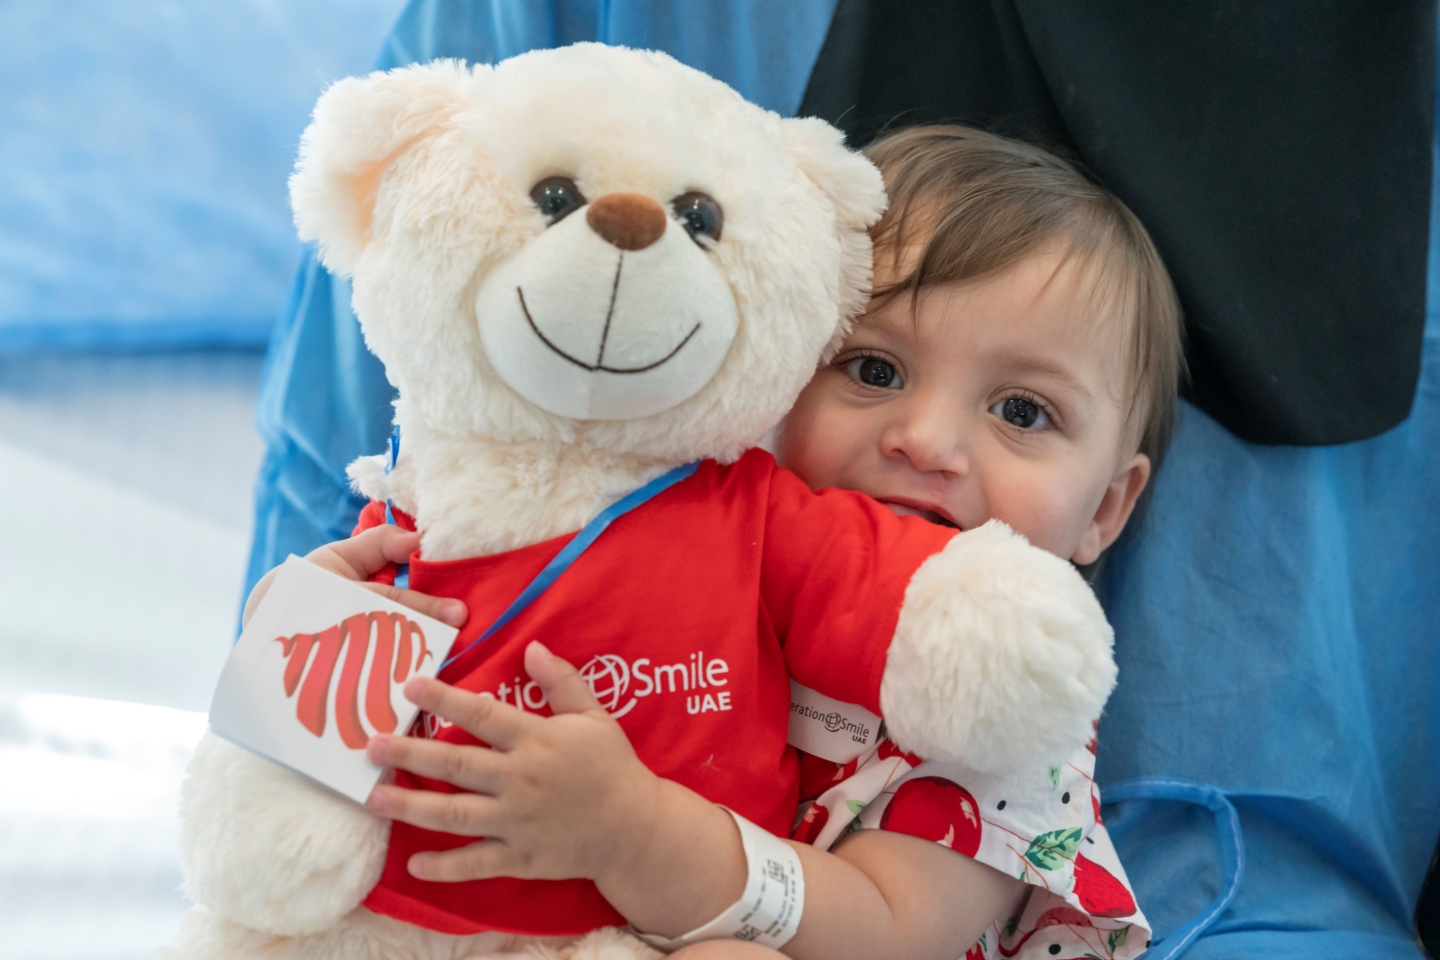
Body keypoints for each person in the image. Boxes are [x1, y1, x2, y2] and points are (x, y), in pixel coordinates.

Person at [244, 125, 1183, 959]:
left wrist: (635, 831)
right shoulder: (684, 536)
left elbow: (889, 928)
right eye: (873, 367)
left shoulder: (1012, 700)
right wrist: (321, 629)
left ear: (1108, 506)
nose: (926, 441)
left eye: (1023, 411)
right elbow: (480, 624)